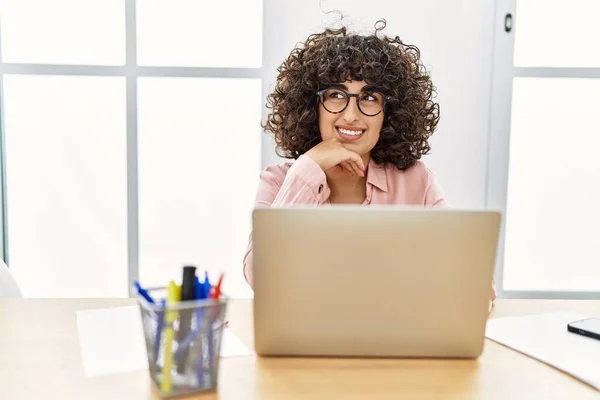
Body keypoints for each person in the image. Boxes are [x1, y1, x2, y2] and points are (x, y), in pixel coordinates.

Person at [242, 21, 496, 306]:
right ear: (312, 107)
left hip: (395, 337)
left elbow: (465, 274)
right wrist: (308, 166)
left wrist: (469, 282)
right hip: (306, 342)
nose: (351, 115)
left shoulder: (417, 182)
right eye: (336, 95)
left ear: (390, 111)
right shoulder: (277, 182)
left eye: (370, 98)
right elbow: (259, 278)